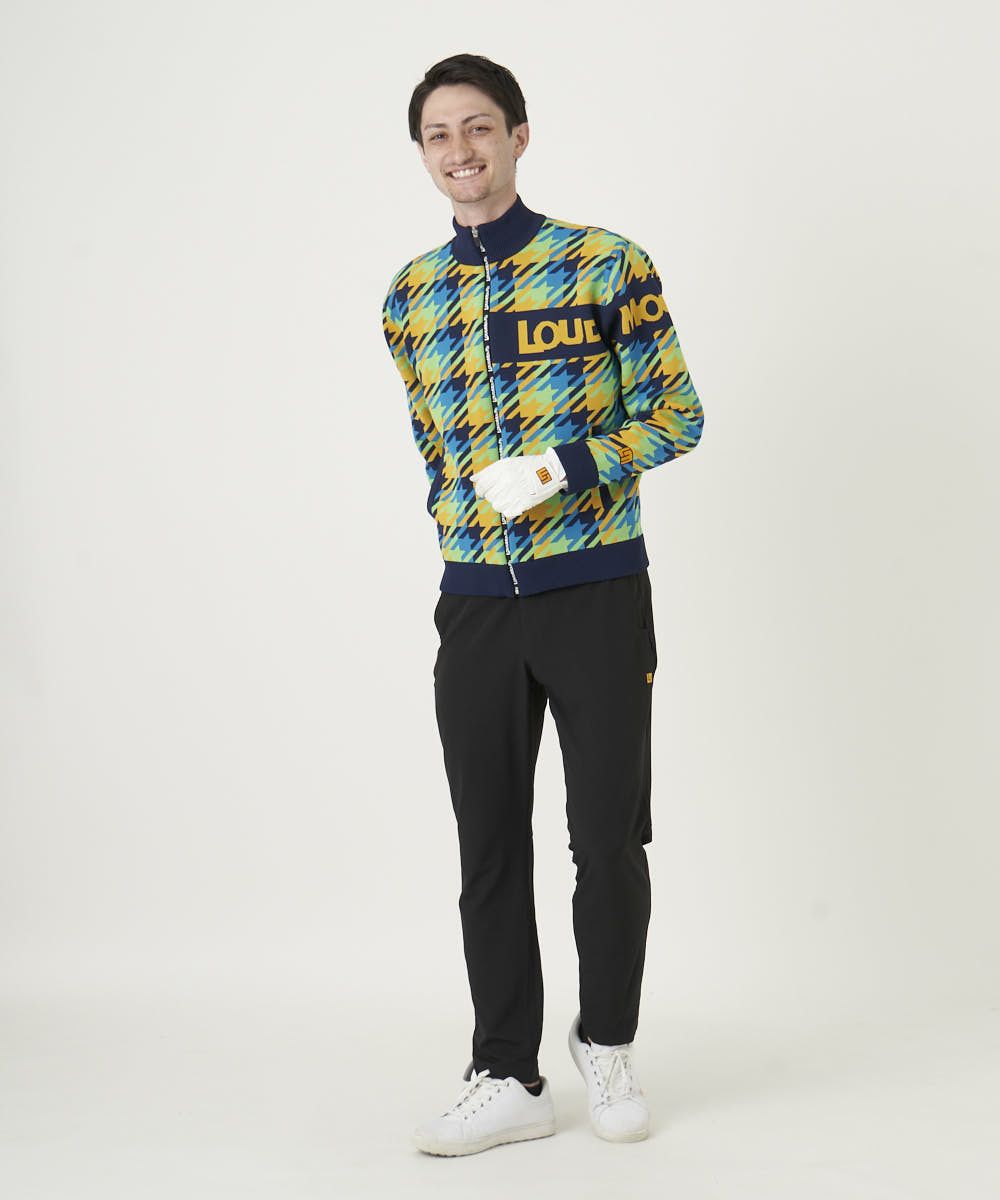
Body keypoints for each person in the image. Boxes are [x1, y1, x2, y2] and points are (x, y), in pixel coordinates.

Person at [381, 53, 705, 1156]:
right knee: (487, 843)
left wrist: (564, 468)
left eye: (479, 127)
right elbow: (432, 446)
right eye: (438, 134)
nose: (460, 151)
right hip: (475, 604)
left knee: (605, 837)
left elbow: (678, 414)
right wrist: (462, 530)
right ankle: (506, 1071)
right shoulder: (409, 297)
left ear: (519, 136)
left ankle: (605, 1042)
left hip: (595, 591)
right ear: (423, 153)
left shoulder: (606, 264)